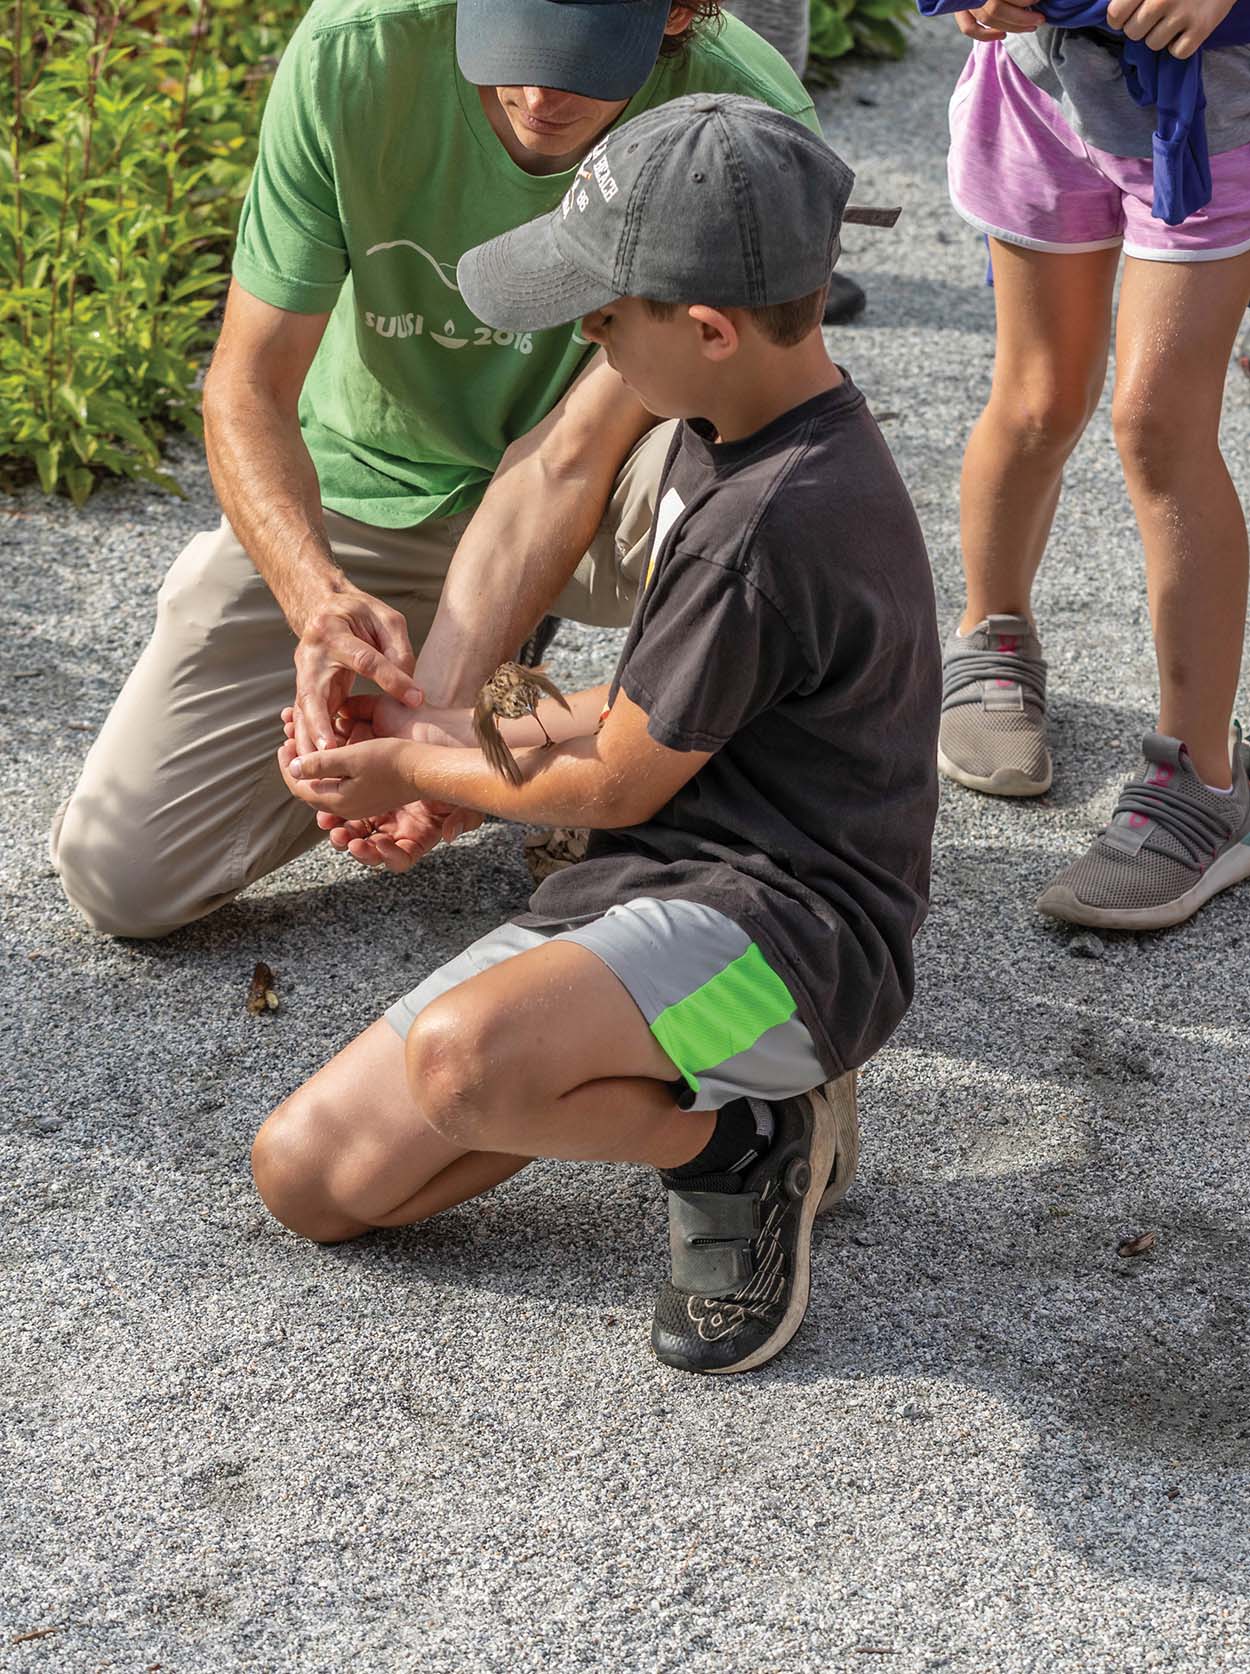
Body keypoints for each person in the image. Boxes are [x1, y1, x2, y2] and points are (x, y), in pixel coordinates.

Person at [250, 95, 940, 1375]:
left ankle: (745, 1142)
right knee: (310, 1177)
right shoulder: (712, 426)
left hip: (791, 949)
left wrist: (410, 765)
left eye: (604, 316)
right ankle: (644, 1078)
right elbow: (637, 717)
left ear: (710, 328)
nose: (587, 337)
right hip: (665, 890)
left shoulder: (767, 524)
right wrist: (444, 720)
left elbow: (619, 779)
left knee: (465, 1066)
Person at [49, 0, 826, 941]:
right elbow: (244, 387)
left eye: (584, 57)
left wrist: (440, 737)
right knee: (123, 878)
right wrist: (317, 600)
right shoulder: (355, 54)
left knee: (758, 471)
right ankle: (522, 691)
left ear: (676, 12)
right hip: (381, 482)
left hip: (601, 486)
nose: (539, 93)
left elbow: (565, 460)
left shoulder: (740, 120)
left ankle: (657, 794)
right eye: (515, 46)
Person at [925, 0, 1250, 931]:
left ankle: (1206, 781)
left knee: (1157, 428)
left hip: (1207, 93)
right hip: (1037, 76)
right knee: (1035, 398)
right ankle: (992, 634)